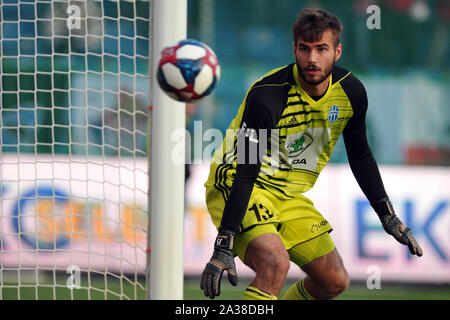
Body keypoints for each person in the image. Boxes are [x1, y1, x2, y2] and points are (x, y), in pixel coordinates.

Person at [200, 8, 423, 300]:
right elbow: (246, 170)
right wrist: (223, 242)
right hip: (238, 184)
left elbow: (360, 156)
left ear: (338, 51)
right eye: (305, 49)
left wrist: (387, 215)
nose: (312, 59)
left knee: (334, 281)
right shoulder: (266, 96)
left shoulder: (351, 93)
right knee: (274, 264)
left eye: (322, 49)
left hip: (288, 195)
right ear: (294, 49)